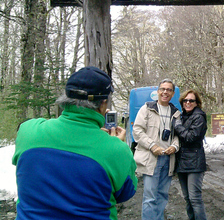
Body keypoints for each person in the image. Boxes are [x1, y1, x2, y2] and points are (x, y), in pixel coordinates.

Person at [12, 66, 137, 220]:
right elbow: (126, 193)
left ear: (66, 97)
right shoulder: (117, 149)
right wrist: (115, 145)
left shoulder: (28, 131)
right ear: (103, 103)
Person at [133, 79, 181, 220]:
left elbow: (178, 135)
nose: (165, 92)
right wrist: (152, 146)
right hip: (151, 158)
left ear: (172, 94)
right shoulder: (147, 109)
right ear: (158, 91)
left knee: (162, 195)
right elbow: (137, 130)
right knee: (150, 197)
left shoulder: (176, 113)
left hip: (168, 159)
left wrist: (174, 146)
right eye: (163, 89)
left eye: (169, 90)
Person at [174, 89, 208, 220]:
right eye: (185, 100)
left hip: (195, 162)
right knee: (187, 198)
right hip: (182, 162)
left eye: (191, 100)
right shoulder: (183, 116)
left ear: (196, 103)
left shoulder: (199, 117)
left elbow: (190, 137)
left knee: (195, 198)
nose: (188, 102)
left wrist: (178, 127)